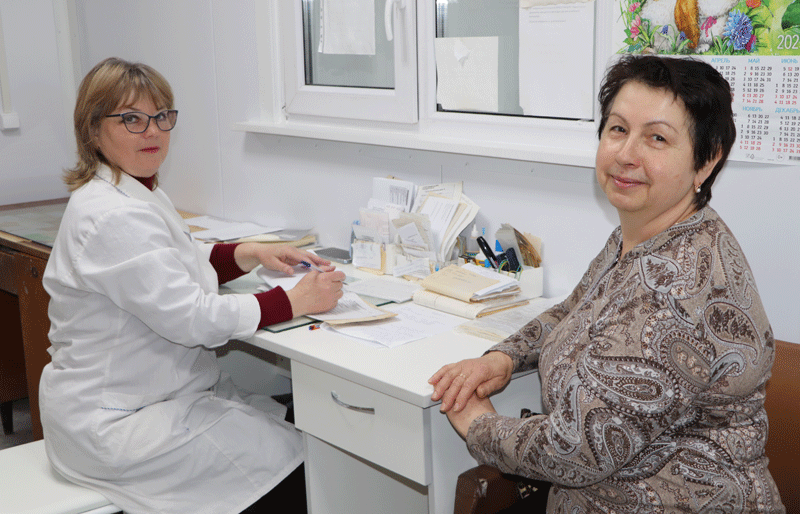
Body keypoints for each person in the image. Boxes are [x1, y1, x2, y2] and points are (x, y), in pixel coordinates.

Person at [429, 56, 785, 514]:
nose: (626, 154)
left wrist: (478, 425)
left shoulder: (678, 287)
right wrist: (504, 358)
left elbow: (576, 450)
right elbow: (576, 309)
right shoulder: (644, 234)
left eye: (657, 138)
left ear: (707, 160)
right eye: (618, 129)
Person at [39, 57, 345, 514]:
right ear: (93, 131)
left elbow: (173, 263)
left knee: (292, 424)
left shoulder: (135, 189)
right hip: (118, 423)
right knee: (303, 469)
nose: (153, 131)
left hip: (151, 398)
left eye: (161, 116)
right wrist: (293, 300)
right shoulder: (112, 214)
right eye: (131, 119)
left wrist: (249, 253)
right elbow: (192, 319)